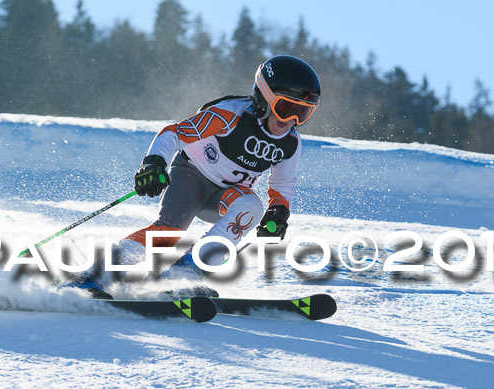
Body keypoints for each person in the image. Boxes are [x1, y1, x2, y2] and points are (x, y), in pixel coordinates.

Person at [74, 55, 321, 298]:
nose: (291, 120)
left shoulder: (290, 143)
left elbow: (283, 182)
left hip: (225, 195)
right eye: (286, 108)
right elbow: (174, 133)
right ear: (263, 98)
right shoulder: (230, 114)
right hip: (191, 177)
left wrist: (278, 211)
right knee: (168, 232)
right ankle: (92, 276)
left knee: (252, 206)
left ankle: (185, 273)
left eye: (303, 112)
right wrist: (154, 162)